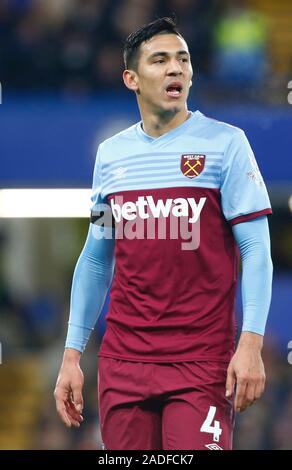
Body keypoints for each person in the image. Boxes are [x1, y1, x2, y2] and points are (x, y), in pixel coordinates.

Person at [54, 17, 273, 450]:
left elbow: (256, 246)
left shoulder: (226, 145)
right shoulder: (111, 156)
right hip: (123, 362)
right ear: (131, 78)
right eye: (160, 60)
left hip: (201, 362)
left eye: (183, 59)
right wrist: (72, 353)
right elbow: (98, 256)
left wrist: (251, 342)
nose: (176, 69)